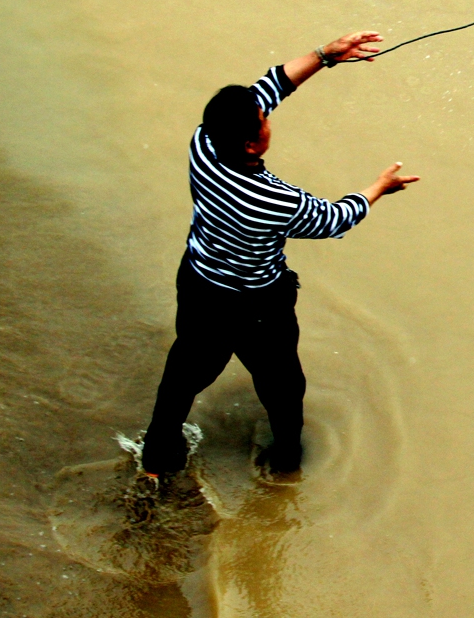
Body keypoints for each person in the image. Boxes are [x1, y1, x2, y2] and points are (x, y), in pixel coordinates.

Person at [141, 32, 419, 478]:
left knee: (185, 374)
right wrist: (379, 188)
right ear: (253, 143)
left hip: (199, 285)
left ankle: (155, 459)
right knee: (283, 388)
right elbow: (336, 218)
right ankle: (286, 463)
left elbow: (270, 87)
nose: (266, 115)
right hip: (256, 306)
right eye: (261, 121)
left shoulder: (203, 146)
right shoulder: (274, 200)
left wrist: (325, 55)